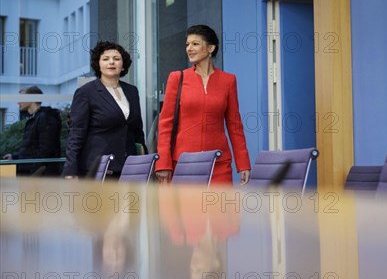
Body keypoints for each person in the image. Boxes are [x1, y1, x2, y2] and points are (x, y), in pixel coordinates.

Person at [156, 25, 251, 185]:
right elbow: (165, 125)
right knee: (187, 210)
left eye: (195, 44)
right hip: (184, 163)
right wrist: (163, 163)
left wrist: (243, 164)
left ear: (210, 48)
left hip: (219, 164)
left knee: (219, 209)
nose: (189, 49)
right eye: (187, 44)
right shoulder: (177, 78)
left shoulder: (228, 81)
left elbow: (235, 126)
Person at [63, 41, 146, 179]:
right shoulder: (86, 92)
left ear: (123, 64)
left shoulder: (131, 91)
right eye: (105, 59)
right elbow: (76, 133)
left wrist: (143, 161)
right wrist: (70, 169)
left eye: (116, 59)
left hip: (128, 167)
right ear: (98, 64)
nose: (111, 62)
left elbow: (137, 131)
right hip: (97, 169)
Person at [3, 86, 62, 176]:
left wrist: (32, 175)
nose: (18, 102)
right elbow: (31, 151)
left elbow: (45, 152)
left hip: (39, 177)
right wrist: (14, 157)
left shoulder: (45, 118)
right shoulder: (35, 119)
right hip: (31, 174)